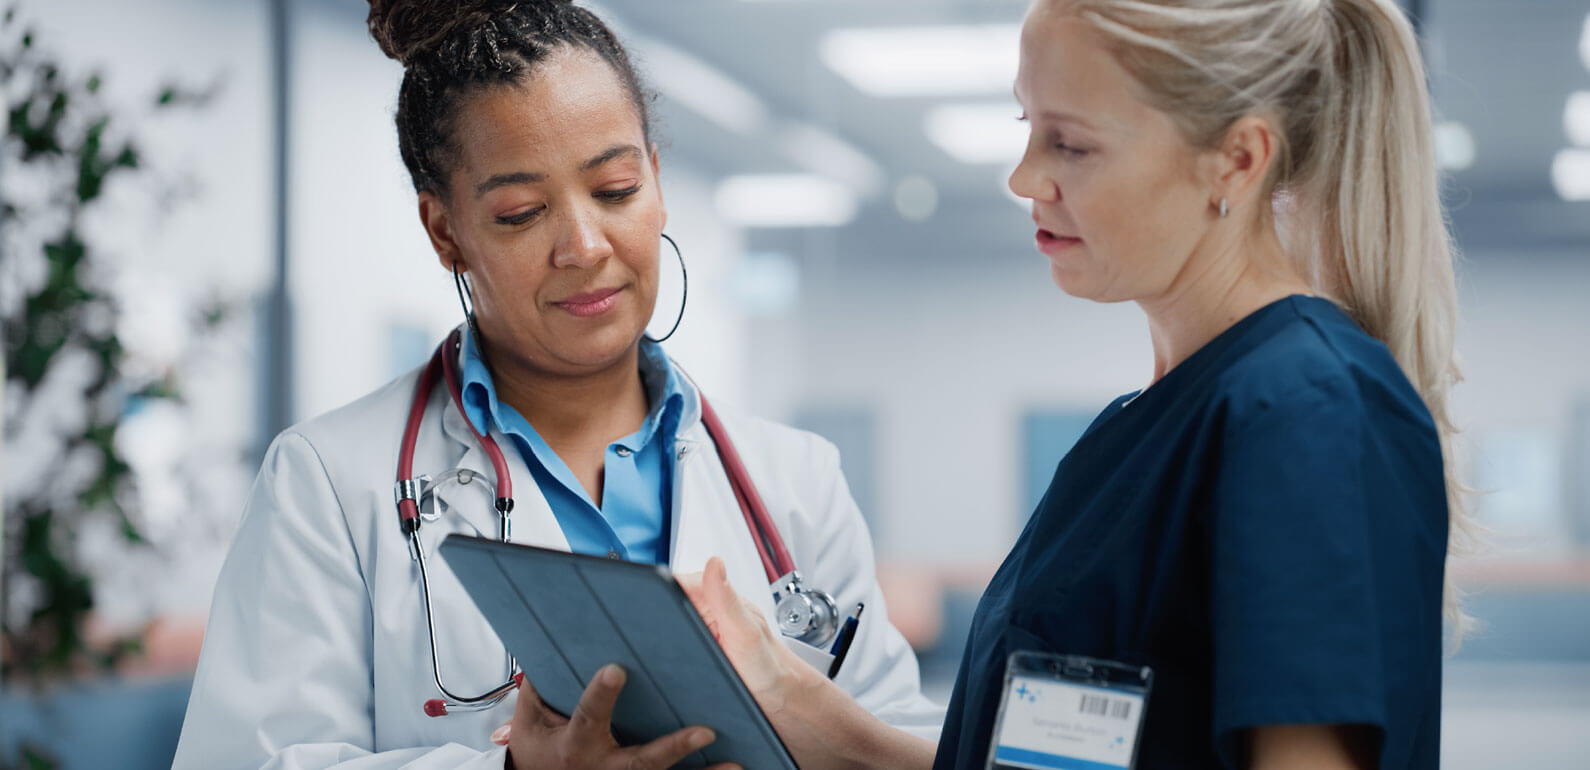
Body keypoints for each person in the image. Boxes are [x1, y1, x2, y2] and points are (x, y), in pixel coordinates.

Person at [684, 0, 1466, 768]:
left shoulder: (1308, 409)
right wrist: (782, 697)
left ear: (1237, 158)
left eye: (1072, 145)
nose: (1027, 178)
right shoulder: (1140, 426)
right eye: (1030, 130)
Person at [170, 1, 940, 767]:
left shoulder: (795, 482)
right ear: (446, 232)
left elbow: (899, 744)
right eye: (521, 213)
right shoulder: (331, 484)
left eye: (615, 190)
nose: (583, 246)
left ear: (657, 181)